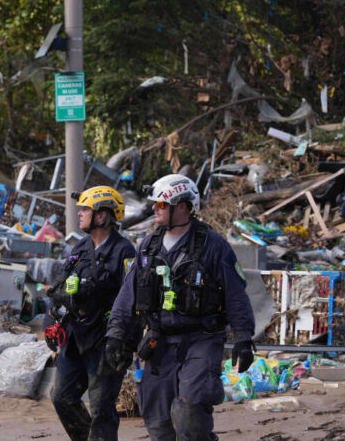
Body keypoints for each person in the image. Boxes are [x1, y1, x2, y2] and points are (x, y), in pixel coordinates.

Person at [103, 174, 255, 441]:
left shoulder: (213, 245)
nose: (154, 209)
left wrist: (243, 337)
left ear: (182, 206)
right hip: (158, 342)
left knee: (190, 411)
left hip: (201, 340)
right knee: (158, 424)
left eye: (161, 204)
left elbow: (236, 295)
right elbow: (127, 296)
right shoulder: (148, 247)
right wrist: (116, 335)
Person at [45, 186, 136, 441]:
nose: (80, 214)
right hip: (75, 339)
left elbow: (133, 300)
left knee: (101, 410)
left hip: (105, 342)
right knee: (61, 397)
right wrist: (50, 323)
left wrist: (125, 341)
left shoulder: (124, 252)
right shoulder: (79, 248)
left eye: (86, 209)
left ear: (103, 216)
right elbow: (58, 290)